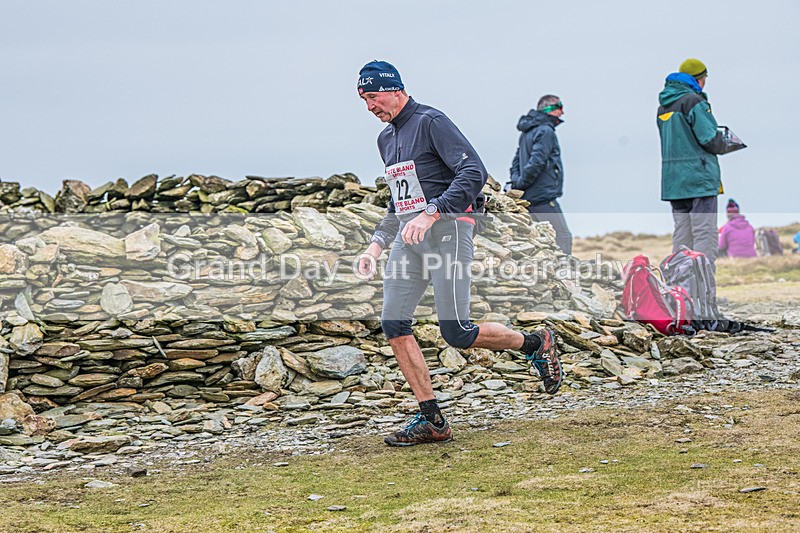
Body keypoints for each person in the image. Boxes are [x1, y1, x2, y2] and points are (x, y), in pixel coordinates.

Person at [356, 60, 563, 447]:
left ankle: (535, 343)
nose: (369, 106)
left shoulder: (432, 122)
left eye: (373, 96)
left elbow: (474, 173)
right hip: (409, 238)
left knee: (457, 332)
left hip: (450, 230)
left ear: (396, 88)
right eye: (363, 100)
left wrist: (433, 212)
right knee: (393, 324)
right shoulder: (386, 139)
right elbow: (398, 201)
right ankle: (432, 419)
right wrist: (376, 243)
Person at [657, 58, 729, 269]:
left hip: (674, 181)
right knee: (704, 233)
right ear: (700, 78)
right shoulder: (694, 102)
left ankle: (680, 289)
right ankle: (704, 292)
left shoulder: (664, 105)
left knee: (682, 234)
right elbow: (708, 138)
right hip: (698, 178)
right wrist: (725, 144)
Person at [508, 95, 573, 255]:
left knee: (541, 240)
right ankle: (564, 277)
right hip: (542, 197)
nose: (562, 112)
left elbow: (516, 162)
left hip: (528, 198)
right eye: (560, 107)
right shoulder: (546, 131)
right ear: (550, 109)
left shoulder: (527, 132)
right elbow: (537, 162)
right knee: (563, 237)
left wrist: (516, 183)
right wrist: (521, 183)